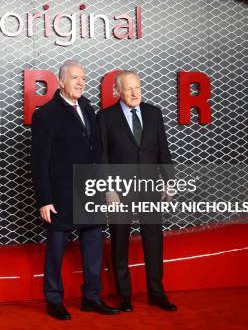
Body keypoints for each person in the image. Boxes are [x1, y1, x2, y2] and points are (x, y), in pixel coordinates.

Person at [31, 60, 120, 320]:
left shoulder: (87, 107)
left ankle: (91, 298)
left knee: (93, 249)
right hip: (60, 195)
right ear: (60, 82)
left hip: (91, 190)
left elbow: (97, 151)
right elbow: (39, 161)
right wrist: (44, 199)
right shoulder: (45, 115)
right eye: (75, 78)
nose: (81, 82)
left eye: (83, 77)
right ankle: (54, 300)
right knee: (55, 251)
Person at [97, 70, 177, 312]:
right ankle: (124, 296)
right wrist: (108, 190)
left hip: (150, 189)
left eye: (138, 87)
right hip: (119, 192)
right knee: (120, 241)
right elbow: (102, 157)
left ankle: (157, 293)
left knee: (154, 241)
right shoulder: (105, 117)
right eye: (129, 89)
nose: (134, 93)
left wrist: (169, 180)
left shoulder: (154, 114)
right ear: (117, 92)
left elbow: (163, 149)